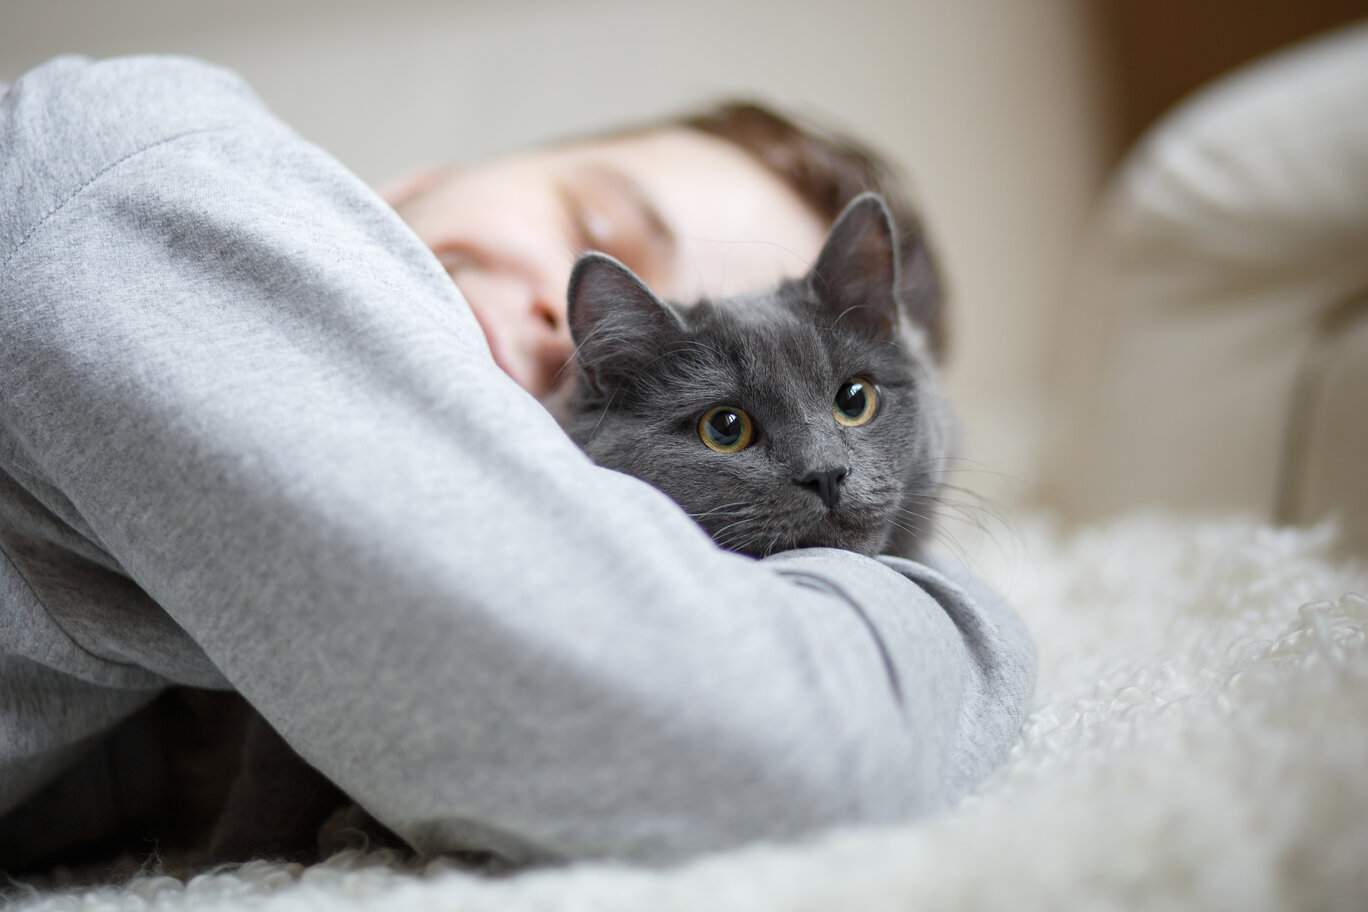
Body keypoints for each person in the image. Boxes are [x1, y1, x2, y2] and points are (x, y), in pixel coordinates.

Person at [0, 55, 1034, 873]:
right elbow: (749, 739)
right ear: (428, 179)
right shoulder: (155, 179)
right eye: (600, 236)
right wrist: (960, 612)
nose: (579, 343)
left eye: (848, 400)